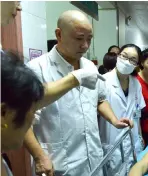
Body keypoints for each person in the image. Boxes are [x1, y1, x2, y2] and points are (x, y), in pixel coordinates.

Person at [24, 10, 133, 176]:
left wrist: (114, 120)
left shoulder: (89, 66)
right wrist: (39, 157)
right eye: (79, 38)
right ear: (59, 35)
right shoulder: (36, 69)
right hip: (58, 163)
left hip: (93, 159)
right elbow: (22, 118)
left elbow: (100, 99)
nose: (85, 45)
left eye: (89, 39)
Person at [99, 44, 145, 175]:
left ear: (137, 64)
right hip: (111, 143)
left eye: (133, 59)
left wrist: (140, 138)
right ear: (118, 56)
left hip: (133, 143)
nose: (127, 61)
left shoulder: (136, 83)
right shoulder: (103, 81)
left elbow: (137, 115)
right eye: (124, 56)